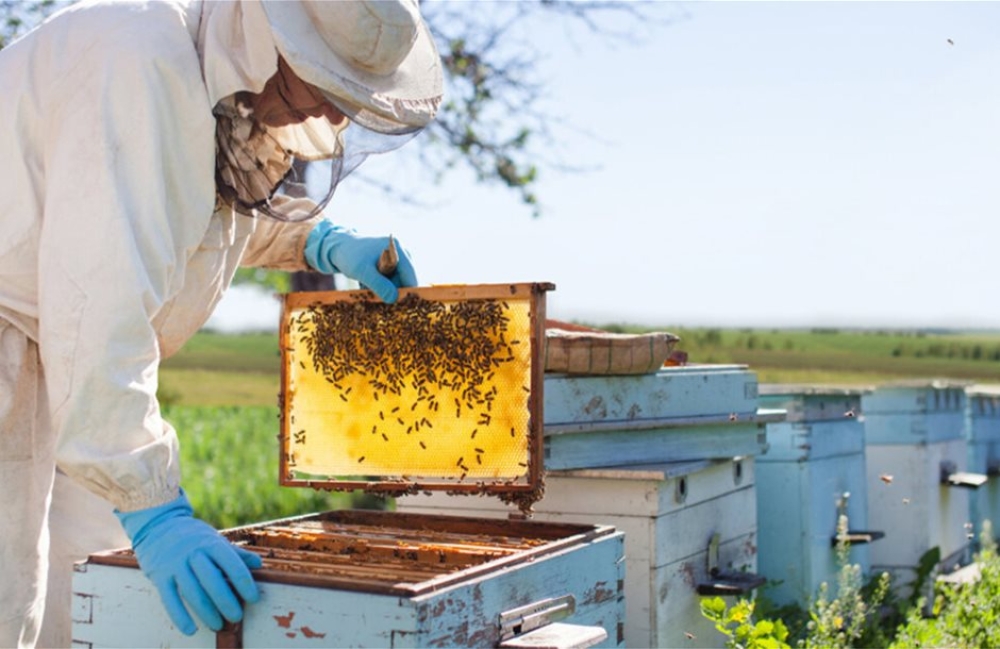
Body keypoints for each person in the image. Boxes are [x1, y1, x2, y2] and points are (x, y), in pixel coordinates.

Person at [0, 0, 442, 645]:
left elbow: (195, 207)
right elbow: (98, 300)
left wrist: (318, 241)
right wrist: (155, 511)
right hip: (22, 341)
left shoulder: (214, 78)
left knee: (92, 596)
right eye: (325, 86)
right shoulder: (139, 63)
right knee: (8, 601)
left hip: (64, 360)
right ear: (275, 44)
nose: (331, 116)